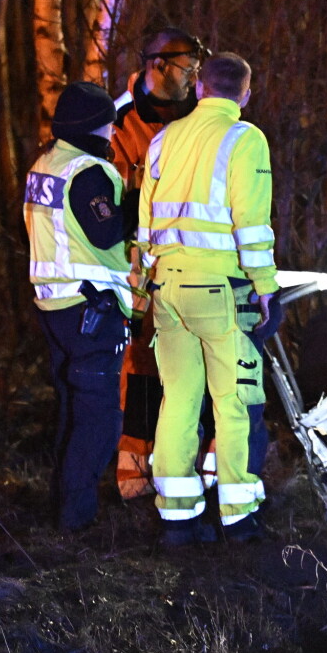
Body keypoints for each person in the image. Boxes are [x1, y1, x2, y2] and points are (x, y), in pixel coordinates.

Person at [136, 52, 278, 546]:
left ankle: (177, 513)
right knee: (234, 399)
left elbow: (145, 221)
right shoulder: (245, 139)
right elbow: (252, 224)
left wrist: (145, 282)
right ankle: (237, 514)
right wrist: (265, 287)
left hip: (166, 287)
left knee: (178, 398)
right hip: (220, 289)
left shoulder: (162, 139)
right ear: (246, 93)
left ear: (198, 89)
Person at [23, 81, 132, 531]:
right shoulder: (89, 172)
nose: (112, 134)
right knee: (99, 416)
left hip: (54, 308)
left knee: (72, 408)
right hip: (91, 309)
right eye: (110, 125)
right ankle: (77, 520)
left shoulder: (46, 163)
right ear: (96, 126)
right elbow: (106, 233)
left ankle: (63, 506)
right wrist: (139, 206)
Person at [110, 27, 210, 501]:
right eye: (188, 69)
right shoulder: (118, 124)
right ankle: (133, 481)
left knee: (194, 374)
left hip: (191, 270)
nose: (194, 79)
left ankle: (189, 476)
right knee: (141, 375)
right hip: (139, 275)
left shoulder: (200, 118)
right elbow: (106, 208)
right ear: (158, 66)